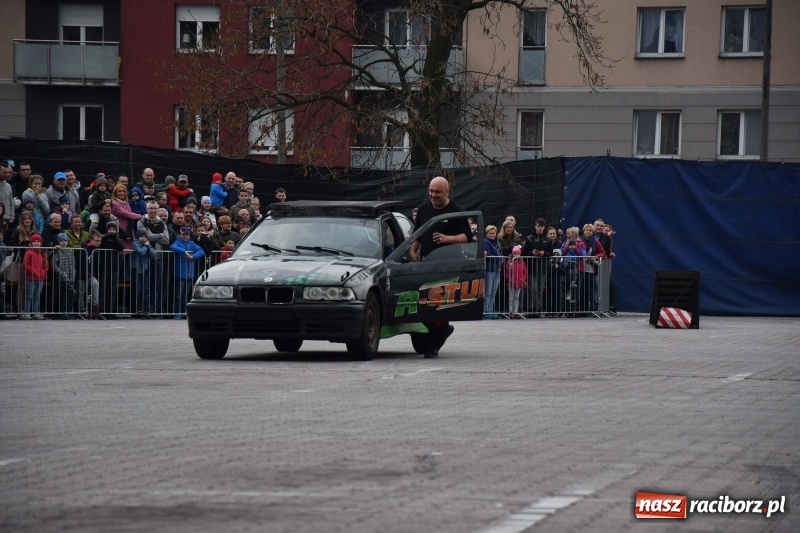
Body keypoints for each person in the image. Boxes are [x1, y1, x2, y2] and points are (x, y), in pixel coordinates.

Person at [409, 176, 471, 358]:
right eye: (431, 191)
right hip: (427, 265)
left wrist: (447, 239)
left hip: (448, 266)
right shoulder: (423, 210)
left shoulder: (456, 211)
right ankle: (439, 335)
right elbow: (417, 234)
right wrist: (413, 251)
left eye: (438, 192)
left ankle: (434, 344)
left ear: (447, 192)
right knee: (426, 306)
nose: (433, 195)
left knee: (441, 308)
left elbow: (467, 237)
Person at [170, 225, 204, 319]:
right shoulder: (177, 242)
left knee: (185, 295)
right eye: (184, 234)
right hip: (180, 273)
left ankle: (184, 312)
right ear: (180, 234)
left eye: (187, 234)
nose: (185, 236)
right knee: (178, 295)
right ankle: (177, 312)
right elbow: (172, 247)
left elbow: (201, 251)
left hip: (189, 273)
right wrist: (184, 252)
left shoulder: (192, 243)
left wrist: (193, 256)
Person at [522, 218, 548, 318]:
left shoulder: (547, 239)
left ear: (544, 227)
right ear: (535, 226)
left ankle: (538, 309)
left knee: (539, 290)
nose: (539, 228)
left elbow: (550, 252)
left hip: (542, 268)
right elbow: (525, 252)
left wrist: (544, 253)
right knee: (531, 289)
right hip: (531, 268)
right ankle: (530, 309)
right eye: (538, 226)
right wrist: (532, 253)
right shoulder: (529, 238)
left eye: (541, 226)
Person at [131, 228, 156, 317]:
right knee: (138, 289)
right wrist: (146, 246)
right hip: (137, 268)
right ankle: (138, 308)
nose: (144, 238)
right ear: (138, 237)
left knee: (145, 290)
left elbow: (154, 254)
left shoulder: (147, 244)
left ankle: (145, 308)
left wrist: (148, 246)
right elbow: (141, 252)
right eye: (142, 237)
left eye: (145, 236)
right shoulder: (135, 243)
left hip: (145, 268)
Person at [52, 232, 78, 319]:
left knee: (69, 296)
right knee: (71, 293)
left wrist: (74, 272)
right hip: (63, 278)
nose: (63, 242)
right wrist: (61, 274)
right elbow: (54, 265)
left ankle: (68, 312)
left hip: (71, 277)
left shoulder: (70, 251)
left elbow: (73, 263)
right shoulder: (57, 252)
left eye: (65, 240)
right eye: (61, 241)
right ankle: (64, 313)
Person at [22, 234, 48, 319]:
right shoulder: (28, 253)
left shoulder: (43, 253)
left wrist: (44, 272)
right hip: (31, 278)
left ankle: (35, 312)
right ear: (31, 243)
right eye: (34, 241)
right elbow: (25, 264)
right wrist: (34, 272)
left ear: (41, 243)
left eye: (38, 241)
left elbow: (46, 264)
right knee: (29, 295)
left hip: (40, 278)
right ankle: (27, 313)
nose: (36, 243)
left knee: (37, 296)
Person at [483, 225, 502, 319]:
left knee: (493, 291)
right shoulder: (485, 242)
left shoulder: (497, 242)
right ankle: (486, 310)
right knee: (488, 291)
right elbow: (489, 254)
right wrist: (499, 259)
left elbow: (500, 253)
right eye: (490, 233)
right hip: (489, 269)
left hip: (497, 269)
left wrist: (500, 259)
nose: (492, 235)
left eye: (493, 233)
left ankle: (491, 309)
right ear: (487, 234)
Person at [505, 245, 527, 319]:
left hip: (519, 282)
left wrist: (523, 280)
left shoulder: (522, 263)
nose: (516, 255)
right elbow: (507, 272)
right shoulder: (509, 262)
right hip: (511, 283)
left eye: (518, 254)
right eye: (515, 254)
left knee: (517, 297)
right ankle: (510, 312)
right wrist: (509, 279)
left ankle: (516, 311)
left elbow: (525, 272)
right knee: (511, 297)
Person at [0, 161, 15, 233]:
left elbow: (11, 202)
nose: (7, 175)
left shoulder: (8, 186)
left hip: (6, 220)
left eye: (8, 172)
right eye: (4, 173)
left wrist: (11, 217)